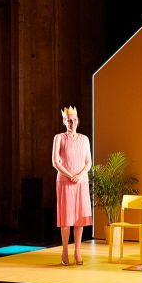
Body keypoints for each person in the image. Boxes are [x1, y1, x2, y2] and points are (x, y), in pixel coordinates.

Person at [52, 106, 92, 265]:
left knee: (79, 219)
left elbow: (88, 162)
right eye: (69, 120)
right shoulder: (59, 138)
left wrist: (80, 175)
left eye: (74, 120)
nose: (72, 123)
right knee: (66, 219)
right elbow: (55, 162)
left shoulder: (84, 139)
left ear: (78, 121)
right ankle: (64, 252)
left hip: (81, 182)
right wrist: (70, 175)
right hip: (65, 182)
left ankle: (77, 251)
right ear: (64, 122)